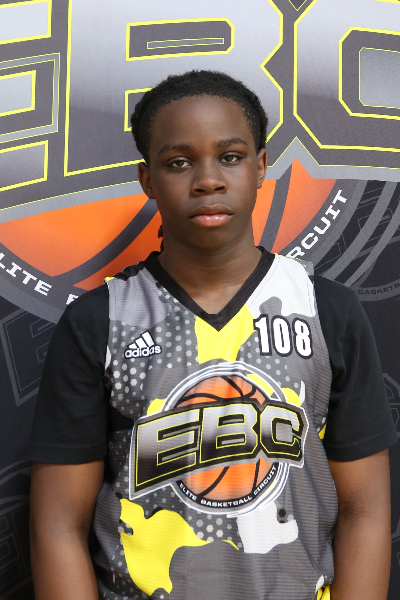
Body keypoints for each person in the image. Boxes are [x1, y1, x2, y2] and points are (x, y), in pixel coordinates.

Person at [28, 70, 397, 600]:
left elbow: (366, 510)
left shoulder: (326, 311)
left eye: (230, 156)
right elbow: (58, 524)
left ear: (261, 166)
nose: (208, 180)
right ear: (147, 178)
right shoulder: (101, 320)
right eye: (179, 162)